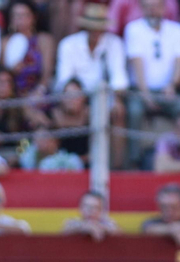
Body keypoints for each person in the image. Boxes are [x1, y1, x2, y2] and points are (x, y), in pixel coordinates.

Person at [55, 4, 133, 164]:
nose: (95, 31)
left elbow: (119, 77)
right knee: (73, 102)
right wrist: (80, 100)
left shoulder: (114, 43)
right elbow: (65, 80)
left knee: (119, 111)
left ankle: (117, 167)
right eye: (92, 27)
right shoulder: (69, 44)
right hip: (75, 96)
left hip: (104, 97)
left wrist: (117, 100)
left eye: (99, 27)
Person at [125, 0, 180, 131]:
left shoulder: (177, 30)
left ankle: (179, 151)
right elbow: (137, 64)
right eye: (148, 7)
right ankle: (133, 152)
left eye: (156, 6)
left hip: (168, 91)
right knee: (134, 112)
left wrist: (172, 85)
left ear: (163, 8)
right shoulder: (133, 29)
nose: (152, 11)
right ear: (141, 8)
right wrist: (146, 95)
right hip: (139, 91)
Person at [2, 1, 56, 97]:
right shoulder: (5, 42)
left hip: (38, 93)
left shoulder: (44, 41)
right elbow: (1, 72)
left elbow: (47, 71)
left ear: (33, 17)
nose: (20, 20)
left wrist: (40, 90)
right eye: (16, 16)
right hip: (12, 95)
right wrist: (12, 70)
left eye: (24, 15)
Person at [141, 181, 180, 245]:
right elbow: (149, 229)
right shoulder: (153, 221)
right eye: (164, 207)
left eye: (174, 207)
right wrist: (173, 229)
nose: (169, 212)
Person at [109, 0, 180, 33]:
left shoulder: (170, 3)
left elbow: (174, 31)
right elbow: (112, 30)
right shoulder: (122, 2)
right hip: (126, 52)